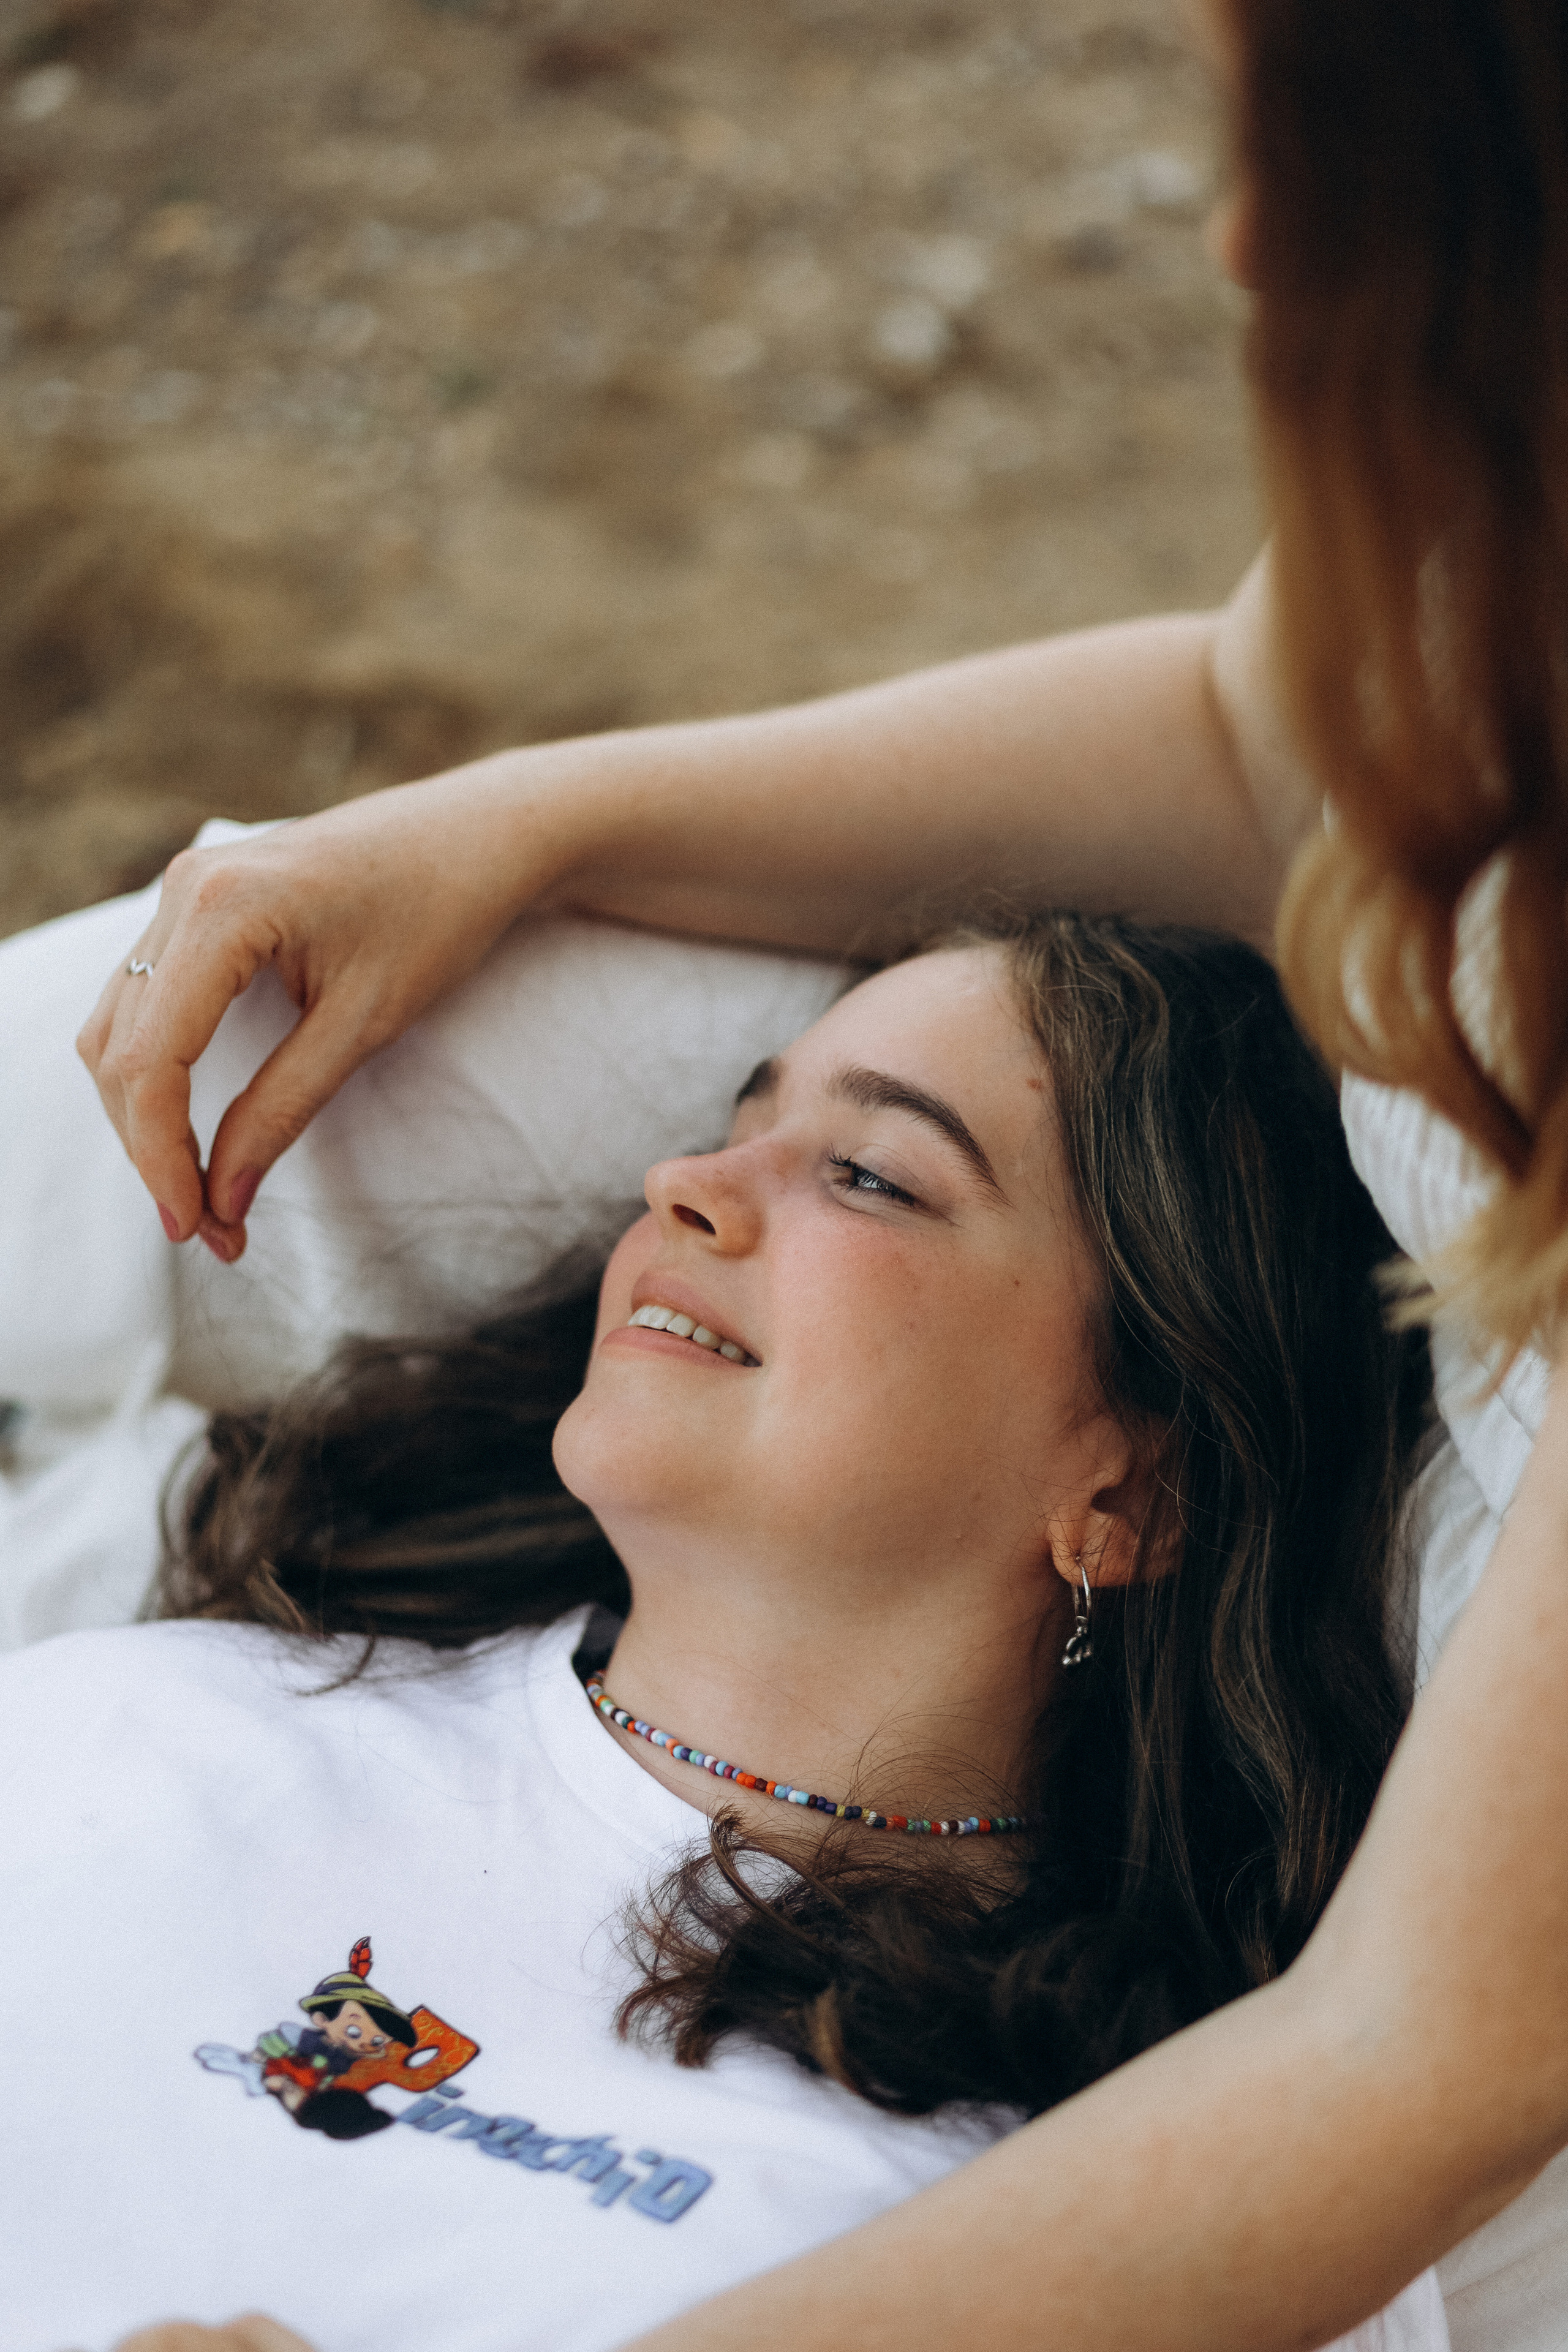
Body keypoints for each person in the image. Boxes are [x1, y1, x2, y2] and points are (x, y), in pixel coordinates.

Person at [71, 4, 1568, 2346]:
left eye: (1351, 164)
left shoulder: (972, 2157)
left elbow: (1433, 2058)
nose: (1248, 235)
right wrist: (525, 817)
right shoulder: (132, 1744)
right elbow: (1252, 736)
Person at [4, 922, 1439, 2352]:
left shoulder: (1173, 2199)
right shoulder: (142, 1721)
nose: (682, 1182)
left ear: (1129, 1490)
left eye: (870, 1177)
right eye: (733, 1125)